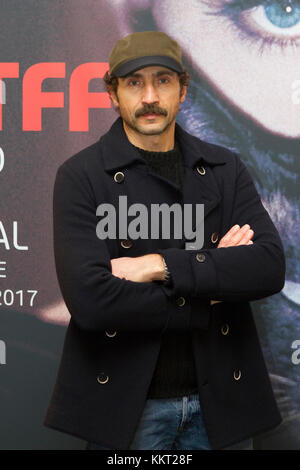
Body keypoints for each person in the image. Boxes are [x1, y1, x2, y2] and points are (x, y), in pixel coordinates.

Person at [44, 31, 285, 450]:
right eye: (135, 82)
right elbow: (91, 301)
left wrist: (158, 265)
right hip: (130, 407)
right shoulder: (80, 176)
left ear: (183, 90)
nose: (150, 96)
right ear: (113, 94)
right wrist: (210, 285)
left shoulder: (225, 167)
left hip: (221, 404)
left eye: (163, 80)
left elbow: (267, 267)